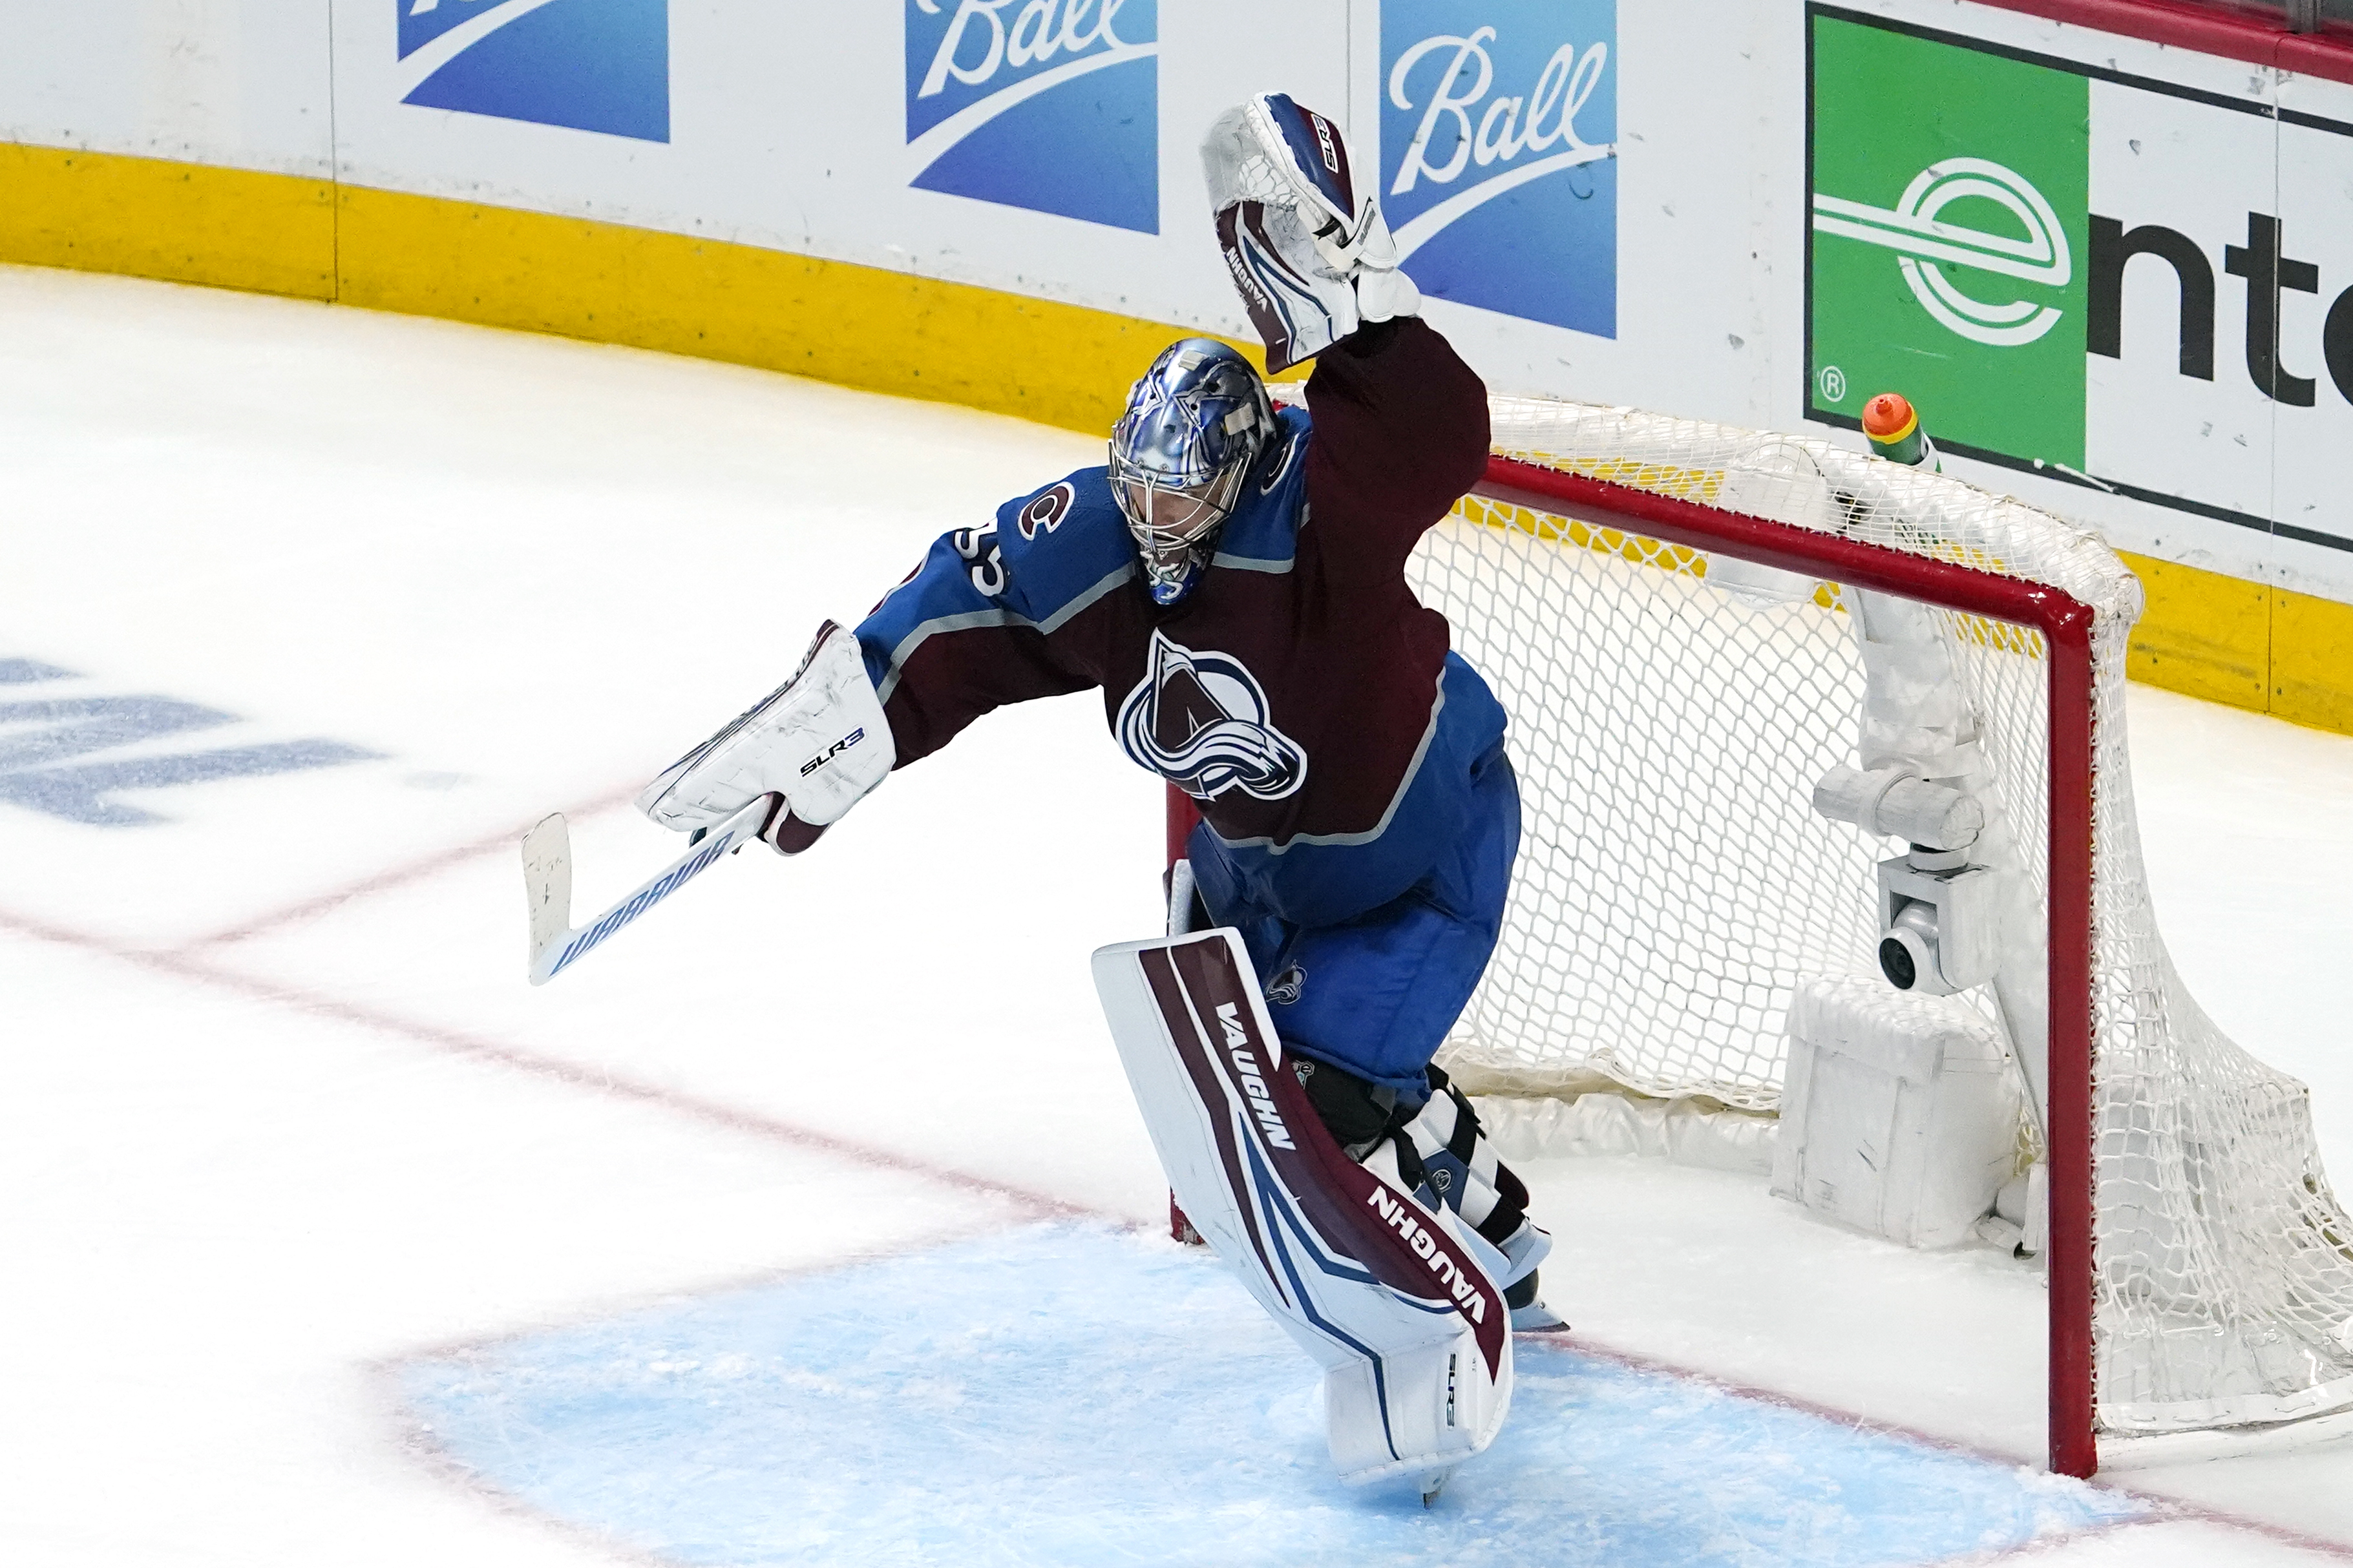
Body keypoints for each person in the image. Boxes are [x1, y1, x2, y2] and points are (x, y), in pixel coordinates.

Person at [635, 91, 1557, 1389]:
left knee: (1330, 1098)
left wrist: (1354, 309)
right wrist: (849, 714)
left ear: (1248, 465)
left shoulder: (1319, 515)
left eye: (1185, 490)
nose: (1161, 517)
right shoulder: (1107, 541)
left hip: (1422, 855)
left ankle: (1466, 1273)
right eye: (1143, 486)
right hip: (1268, 875)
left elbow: (1436, 431)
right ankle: (1505, 1235)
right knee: (1303, 1094)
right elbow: (971, 607)